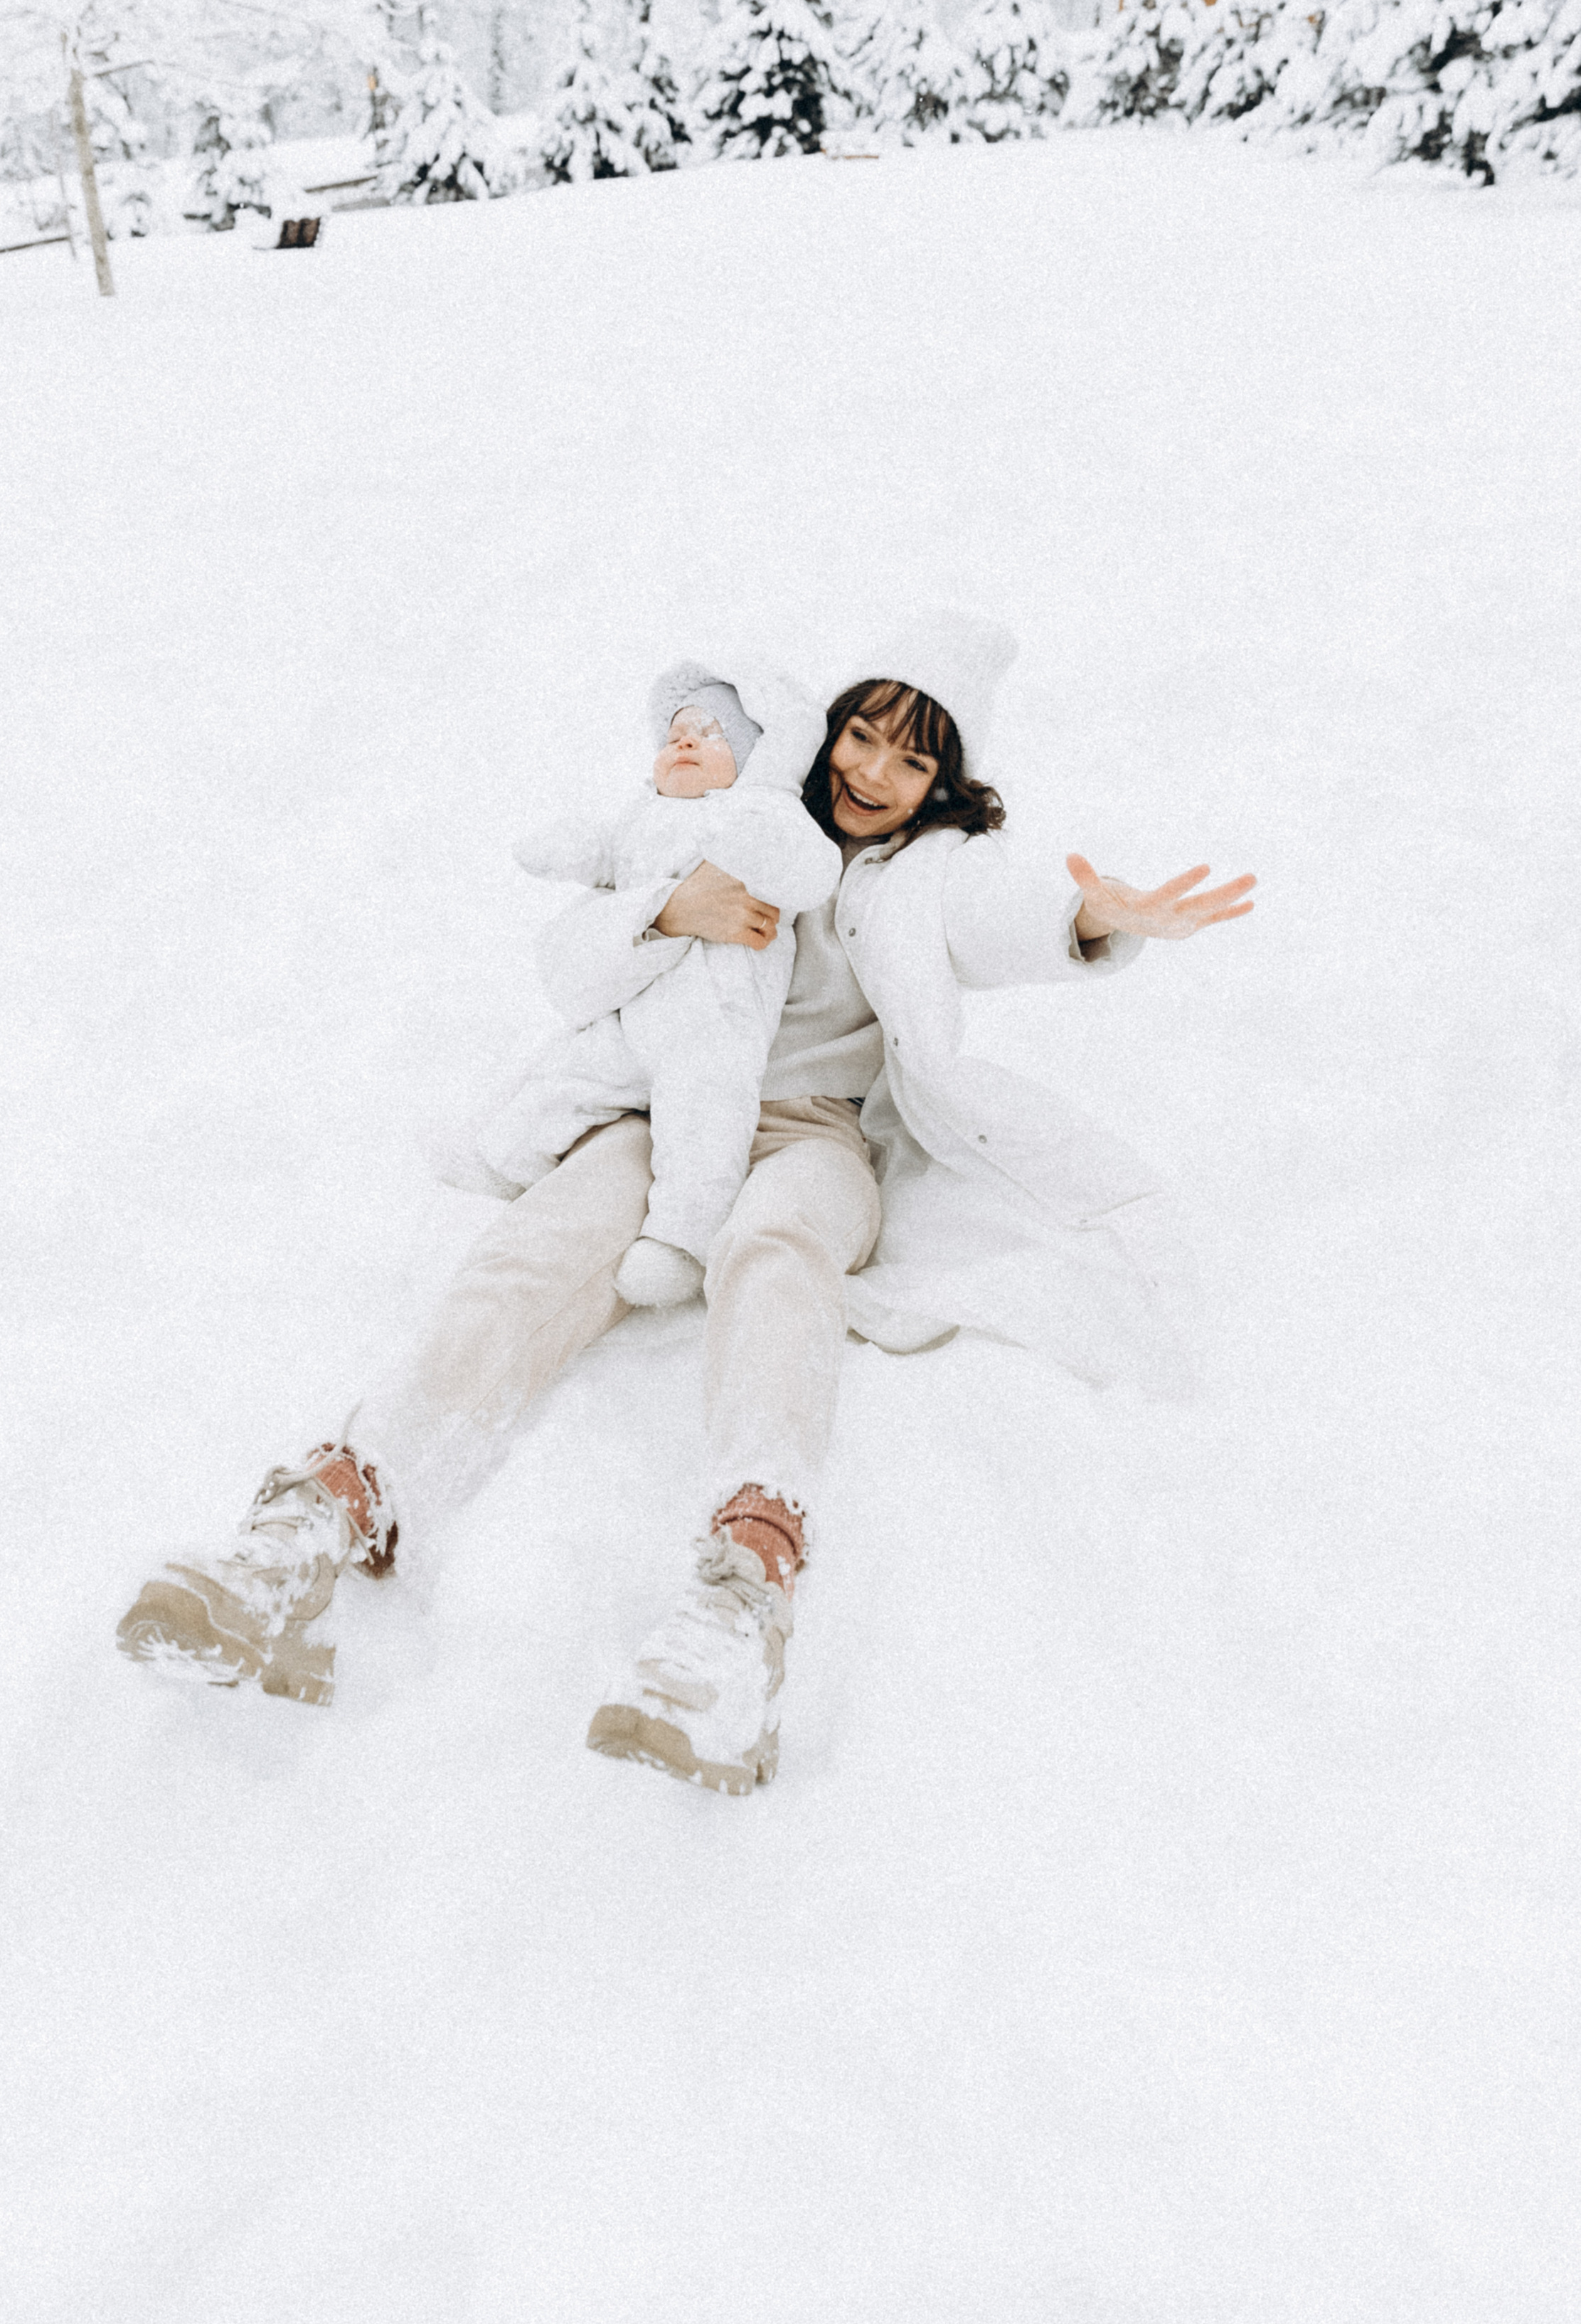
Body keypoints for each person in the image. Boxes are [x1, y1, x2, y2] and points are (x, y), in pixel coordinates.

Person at [116, 610, 1255, 1795]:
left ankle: (742, 1599)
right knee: (543, 1247)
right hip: (655, 1115)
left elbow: (999, 913)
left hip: (812, 1138)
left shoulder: (928, 874)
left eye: (913, 760)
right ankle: (322, 1521)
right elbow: (568, 970)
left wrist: (1091, 919)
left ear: (941, 789)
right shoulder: (710, 813)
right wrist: (672, 910)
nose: (875, 772)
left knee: (779, 1245)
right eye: (865, 736)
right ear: (827, 731)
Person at [462, 659, 840, 1309]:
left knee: (706, 1122)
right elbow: (603, 853)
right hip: (631, 1017)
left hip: (713, 1023)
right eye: (675, 735)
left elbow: (810, 873)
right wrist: (566, 847)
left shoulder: (765, 812)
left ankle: (681, 1242)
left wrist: (759, 813)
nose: (685, 742)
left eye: (712, 734)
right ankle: (502, 1160)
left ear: (756, 758)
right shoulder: (641, 816)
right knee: (566, 1077)